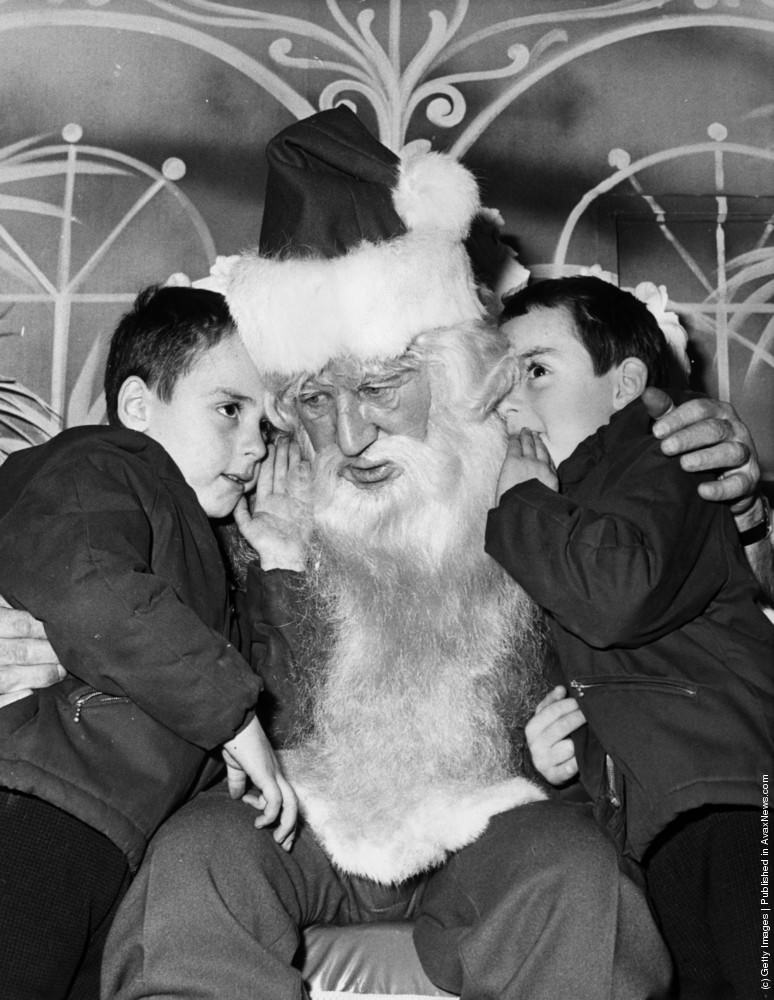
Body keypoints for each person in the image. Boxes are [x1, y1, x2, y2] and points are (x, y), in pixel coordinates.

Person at [0, 109, 768, 1000]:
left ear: (451, 363)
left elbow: (679, 591)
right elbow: (123, 579)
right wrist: (280, 566)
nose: (351, 432)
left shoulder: (539, 469)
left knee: (578, 879)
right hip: (301, 817)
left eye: (381, 385)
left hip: (498, 815)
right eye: (314, 399)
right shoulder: (247, 485)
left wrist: (743, 507)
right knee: (198, 858)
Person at [0, 285, 299, 1000]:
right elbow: (87, 580)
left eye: (266, 425)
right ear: (138, 406)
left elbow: (272, 697)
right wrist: (229, 712)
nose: (255, 445)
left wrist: (280, 567)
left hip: (107, 838)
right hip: (37, 800)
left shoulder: (207, 544)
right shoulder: (102, 463)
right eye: (230, 409)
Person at [484, 274, 774, 999]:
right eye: (502, 380)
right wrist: (560, 755)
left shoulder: (662, 445)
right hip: (665, 820)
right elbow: (616, 674)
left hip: (740, 795)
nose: (512, 400)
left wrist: (520, 500)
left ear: (626, 383)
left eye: (538, 371)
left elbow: (619, 599)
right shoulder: (567, 514)